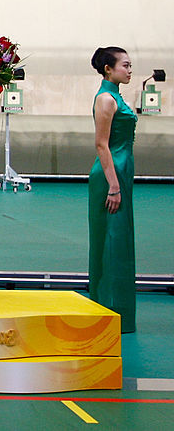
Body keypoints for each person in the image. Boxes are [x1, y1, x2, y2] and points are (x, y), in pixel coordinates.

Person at [88, 46, 137, 333]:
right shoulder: (106, 99)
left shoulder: (116, 95)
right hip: (111, 177)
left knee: (120, 243)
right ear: (109, 68)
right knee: (110, 242)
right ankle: (108, 312)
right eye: (126, 65)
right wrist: (114, 186)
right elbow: (101, 144)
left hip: (121, 173)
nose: (130, 70)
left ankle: (118, 312)